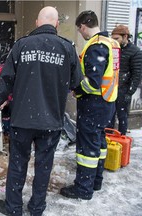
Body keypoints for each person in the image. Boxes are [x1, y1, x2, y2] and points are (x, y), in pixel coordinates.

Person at [0, 6, 82, 216]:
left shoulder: (21, 45)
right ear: (57, 24)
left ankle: (13, 208)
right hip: (51, 121)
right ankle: (37, 208)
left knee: (17, 164)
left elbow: (6, 81)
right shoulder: (67, 48)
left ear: (37, 23)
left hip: (23, 120)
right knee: (43, 166)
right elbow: (77, 83)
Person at [60, 10, 120, 200]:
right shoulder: (113, 43)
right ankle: (96, 182)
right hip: (108, 102)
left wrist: (76, 89)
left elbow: (92, 82)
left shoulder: (96, 46)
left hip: (94, 104)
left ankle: (83, 188)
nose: (81, 33)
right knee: (99, 142)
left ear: (84, 26)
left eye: (80, 30)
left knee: (87, 148)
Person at [109, 25, 142, 135]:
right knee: (109, 117)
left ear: (125, 36)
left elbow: (137, 74)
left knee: (122, 118)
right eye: (112, 38)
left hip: (124, 90)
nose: (114, 41)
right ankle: (108, 140)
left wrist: (129, 92)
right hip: (110, 88)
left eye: (116, 38)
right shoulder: (112, 49)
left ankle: (121, 141)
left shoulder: (135, 52)